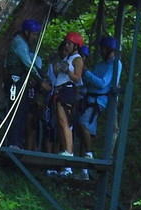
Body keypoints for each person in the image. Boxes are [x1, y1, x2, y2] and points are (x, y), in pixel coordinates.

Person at [75, 35, 123, 177]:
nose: (101, 51)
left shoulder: (115, 64)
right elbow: (91, 81)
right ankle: (84, 171)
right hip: (89, 97)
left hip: (98, 100)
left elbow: (102, 83)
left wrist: (86, 72)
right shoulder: (101, 64)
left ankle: (89, 154)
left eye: (102, 48)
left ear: (109, 49)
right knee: (85, 132)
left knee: (82, 124)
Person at [46, 31, 85, 175]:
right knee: (60, 124)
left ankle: (69, 152)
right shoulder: (68, 58)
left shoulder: (77, 59)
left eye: (69, 43)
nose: (67, 45)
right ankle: (65, 151)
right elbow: (58, 75)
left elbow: (77, 78)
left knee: (65, 123)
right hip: (60, 90)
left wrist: (67, 71)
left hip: (68, 91)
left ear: (76, 45)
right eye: (66, 43)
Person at [5, 18, 44, 149]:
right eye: (33, 34)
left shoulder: (21, 43)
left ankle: (16, 141)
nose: (34, 37)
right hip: (16, 81)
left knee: (21, 111)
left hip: (19, 80)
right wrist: (41, 81)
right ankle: (13, 143)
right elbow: (29, 65)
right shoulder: (20, 44)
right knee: (17, 110)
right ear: (26, 32)